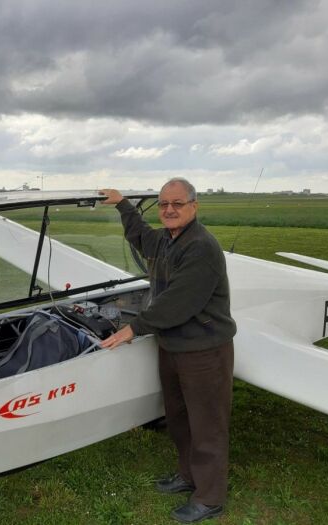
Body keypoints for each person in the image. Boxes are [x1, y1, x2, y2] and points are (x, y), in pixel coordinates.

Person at [99, 178, 236, 524]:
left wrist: (134, 327)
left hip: (204, 351)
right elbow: (141, 235)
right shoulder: (166, 239)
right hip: (174, 346)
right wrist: (122, 204)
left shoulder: (201, 247)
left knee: (207, 424)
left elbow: (179, 302)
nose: (169, 210)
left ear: (194, 206)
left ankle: (209, 497)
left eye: (177, 203)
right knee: (178, 418)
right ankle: (188, 475)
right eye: (163, 204)